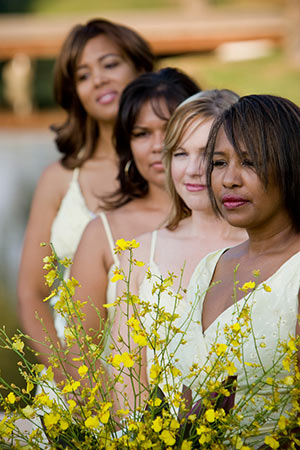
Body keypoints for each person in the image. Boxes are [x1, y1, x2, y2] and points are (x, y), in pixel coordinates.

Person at [17, 18, 154, 378]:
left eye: (110, 64)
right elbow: (32, 292)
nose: (98, 79)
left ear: (139, 68)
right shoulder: (59, 179)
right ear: (74, 92)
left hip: (160, 382)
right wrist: (70, 378)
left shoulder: (177, 168)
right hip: (78, 379)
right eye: (83, 75)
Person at [172, 94, 300, 446]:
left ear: (291, 164)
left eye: (250, 162)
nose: (229, 179)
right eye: (219, 162)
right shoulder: (209, 267)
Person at [112, 89, 247, 409]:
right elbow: (127, 375)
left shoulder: (269, 247)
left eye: (208, 154)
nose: (192, 169)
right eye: (180, 153)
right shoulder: (138, 254)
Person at [66, 67, 200, 374]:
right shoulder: (102, 233)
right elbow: (77, 356)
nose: (157, 145)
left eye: (169, 129)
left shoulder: (238, 221)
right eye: (141, 133)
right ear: (127, 144)